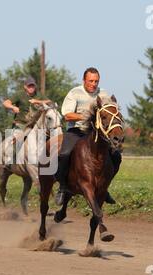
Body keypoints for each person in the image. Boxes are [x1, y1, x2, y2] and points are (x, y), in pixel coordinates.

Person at [55, 67, 121, 205]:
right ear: (84, 80)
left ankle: (104, 188)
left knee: (116, 156)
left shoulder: (103, 94)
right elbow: (67, 115)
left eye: (96, 81)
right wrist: (86, 116)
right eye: (91, 81)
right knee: (64, 154)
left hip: (95, 133)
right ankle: (63, 187)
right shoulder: (75, 93)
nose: (94, 84)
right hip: (77, 131)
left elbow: (109, 111)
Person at [2, 76, 51, 142]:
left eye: (32, 86)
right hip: (20, 125)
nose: (31, 88)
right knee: (15, 143)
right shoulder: (19, 94)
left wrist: (37, 101)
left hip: (34, 126)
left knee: (48, 140)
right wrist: (13, 107)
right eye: (29, 86)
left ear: (35, 86)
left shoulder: (39, 95)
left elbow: (49, 102)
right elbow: (5, 103)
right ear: (25, 87)